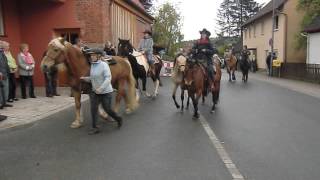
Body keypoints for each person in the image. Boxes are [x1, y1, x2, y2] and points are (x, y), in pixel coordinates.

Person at [80, 48, 122, 135]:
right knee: (93, 109)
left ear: (98, 56)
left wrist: (101, 88)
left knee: (107, 109)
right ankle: (95, 127)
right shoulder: (93, 65)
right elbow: (93, 78)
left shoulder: (104, 65)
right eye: (91, 55)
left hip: (106, 92)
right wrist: (85, 79)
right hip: (95, 92)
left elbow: (108, 78)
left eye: (93, 55)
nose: (91, 57)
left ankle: (118, 118)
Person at [0, 41, 13, 109]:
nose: (8, 47)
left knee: (5, 89)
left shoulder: (2, 53)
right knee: (1, 90)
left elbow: (5, 63)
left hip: (6, 73)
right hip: (1, 74)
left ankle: (4, 102)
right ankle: (1, 103)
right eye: (7, 46)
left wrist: (9, 70)